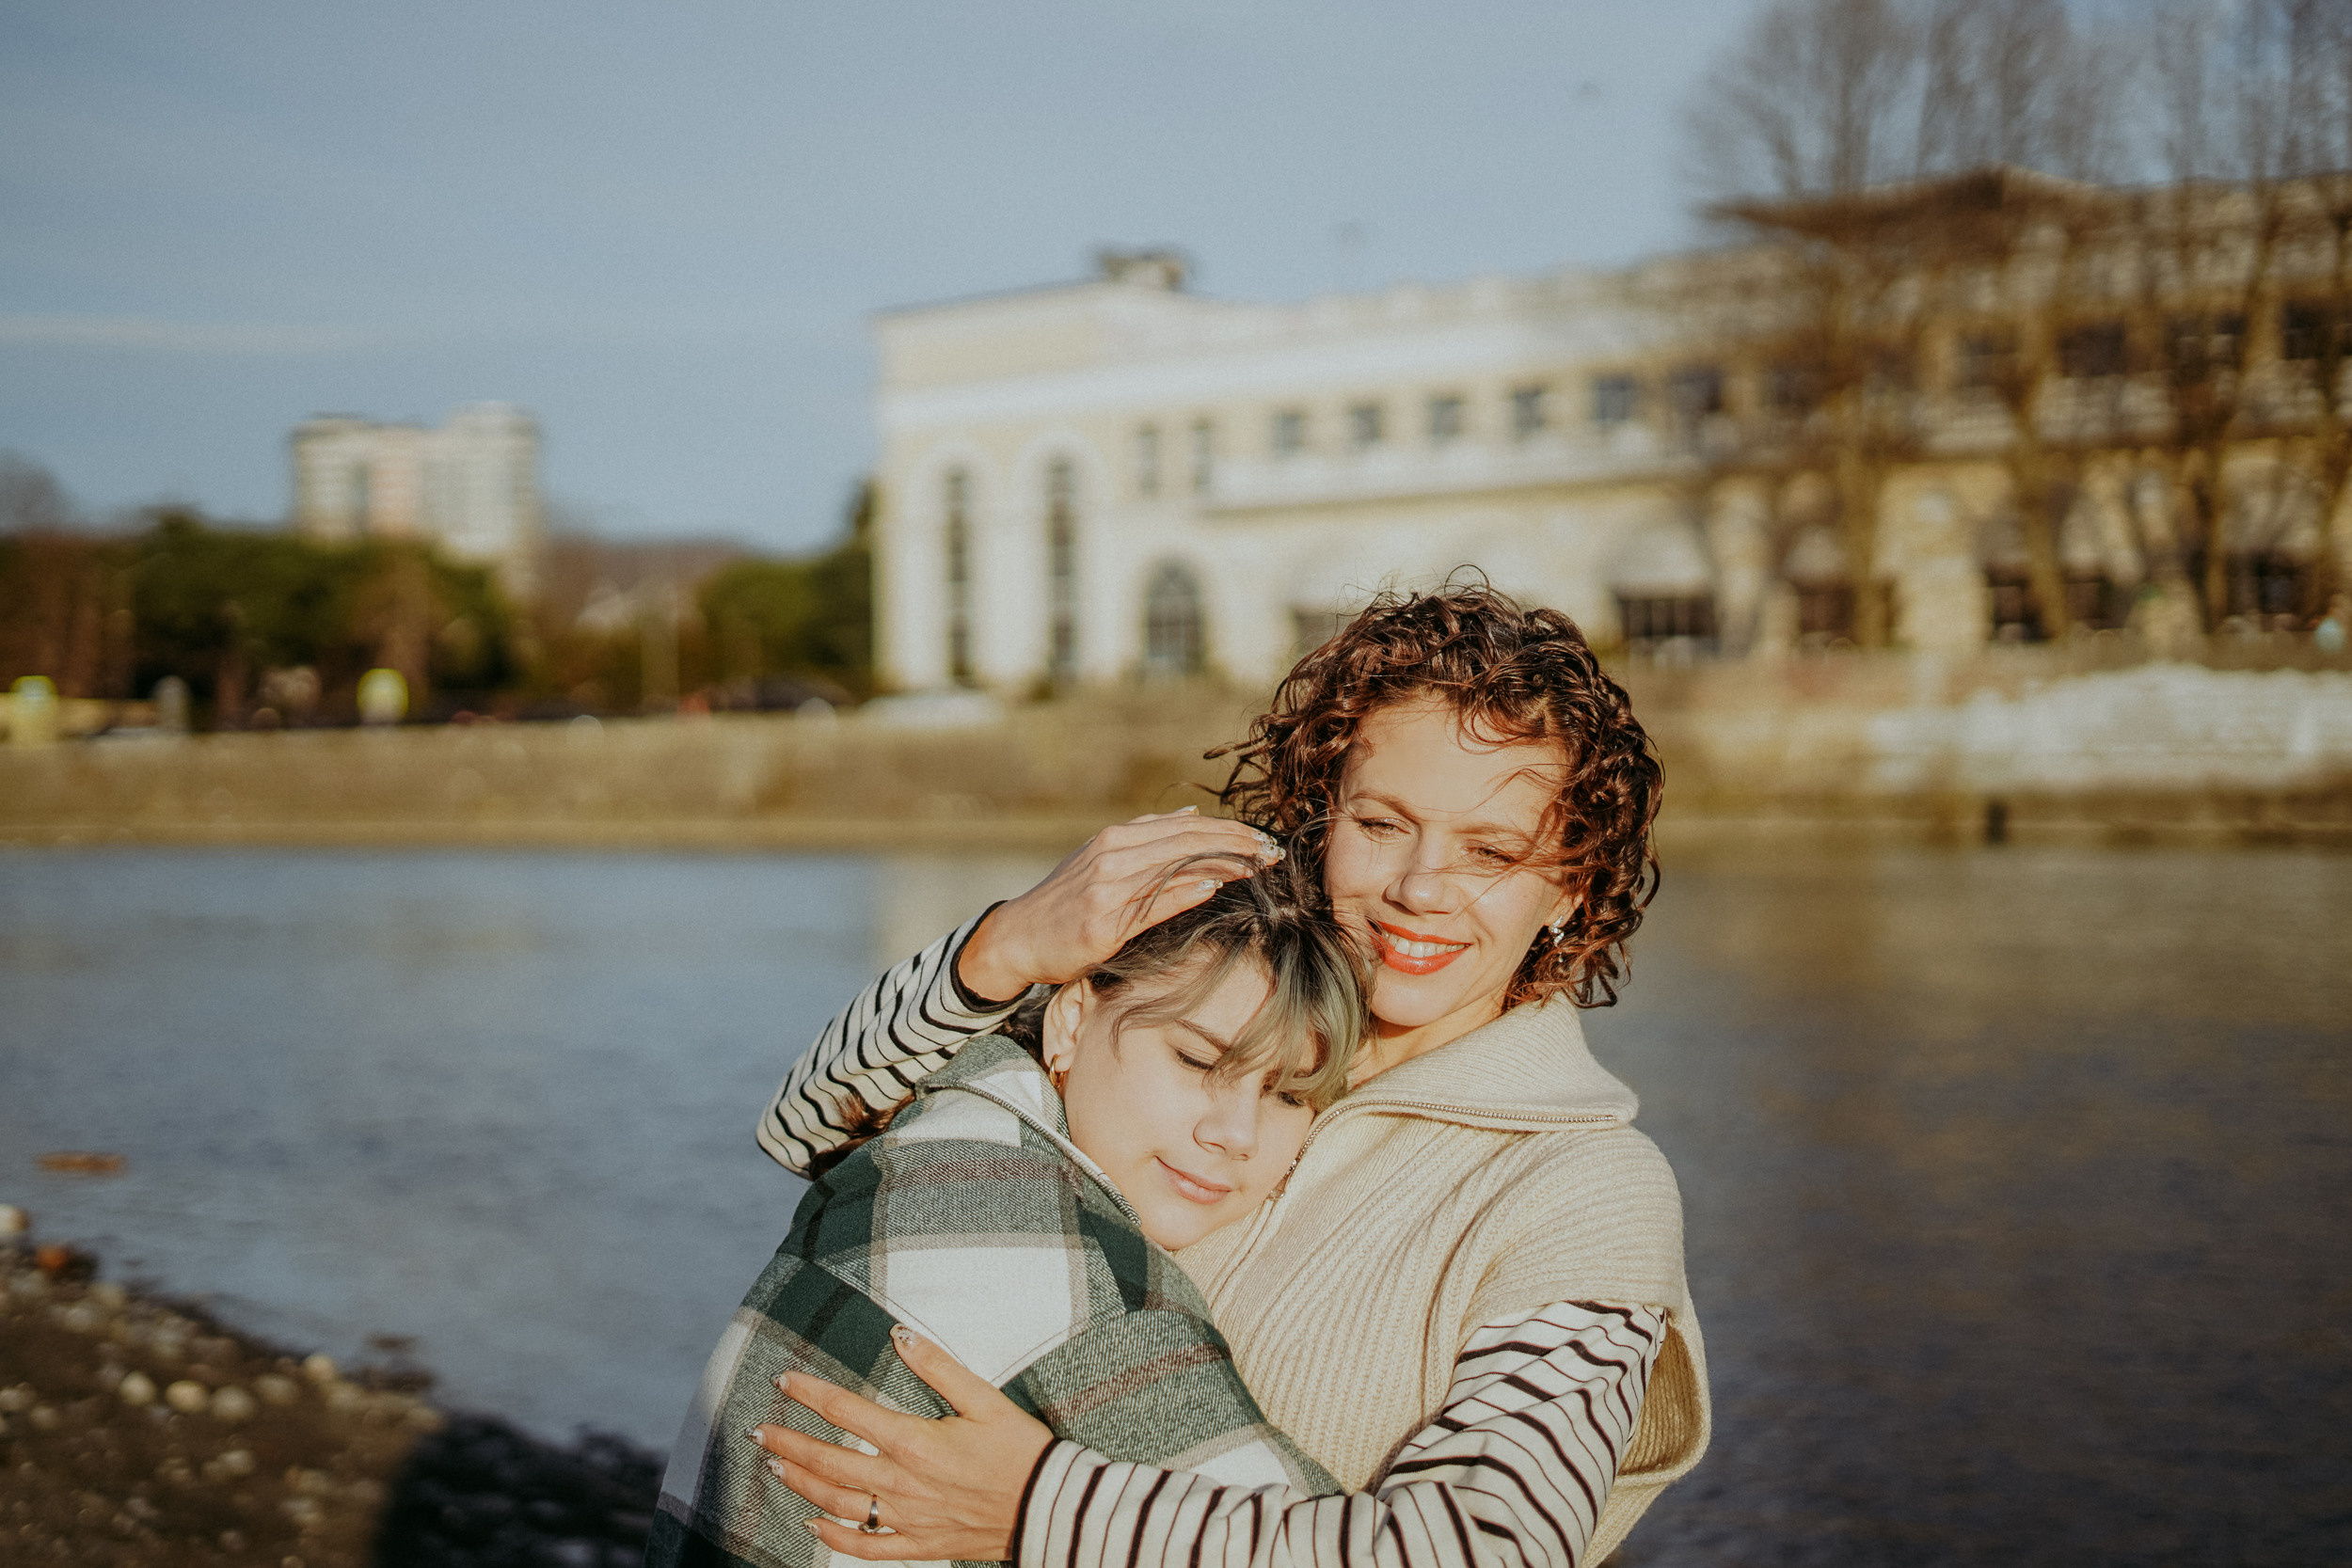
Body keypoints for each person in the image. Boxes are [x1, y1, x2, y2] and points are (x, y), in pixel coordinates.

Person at [751, 584, 1710, 1568]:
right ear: (1323, 816)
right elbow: (810, 1130)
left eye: (1491, 851)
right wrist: (1004, 949)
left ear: (1571, 887)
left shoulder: (1587, 1190)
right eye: (1381, 824)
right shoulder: (1204, 999)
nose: (1421, 887)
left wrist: (1039, 1506)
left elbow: (1491, 1544)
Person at [647, 859, 1369, 1568]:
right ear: (1072, 1019)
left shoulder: (937, 1129)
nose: (1236, 1133)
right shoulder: (1084, 1280)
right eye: (1196, 1060)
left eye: (1288, 1094)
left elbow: (803, 1123)